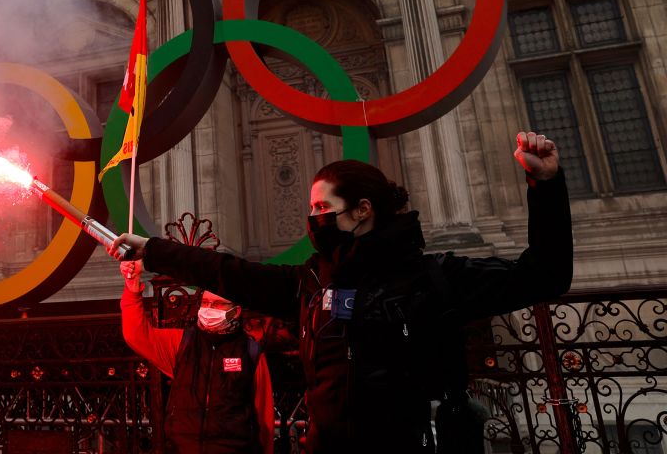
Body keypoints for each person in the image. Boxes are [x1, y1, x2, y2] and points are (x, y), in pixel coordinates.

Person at [109, 132, 572, 454]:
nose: (312, 219)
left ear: (361, 211)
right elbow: (231, 273)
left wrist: (545, 186)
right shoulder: (312, 284)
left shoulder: (434, 278)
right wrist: (154, 251)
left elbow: (544, 275)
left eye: (321, 208)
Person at [120, 260, 274, 454]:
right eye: (206, 302)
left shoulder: (250, 352)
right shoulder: (183, 343)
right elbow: (137, 335)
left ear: (236, 311)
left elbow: (264, 418)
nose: (209, 309)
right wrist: (132, 290)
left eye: (218, 304)